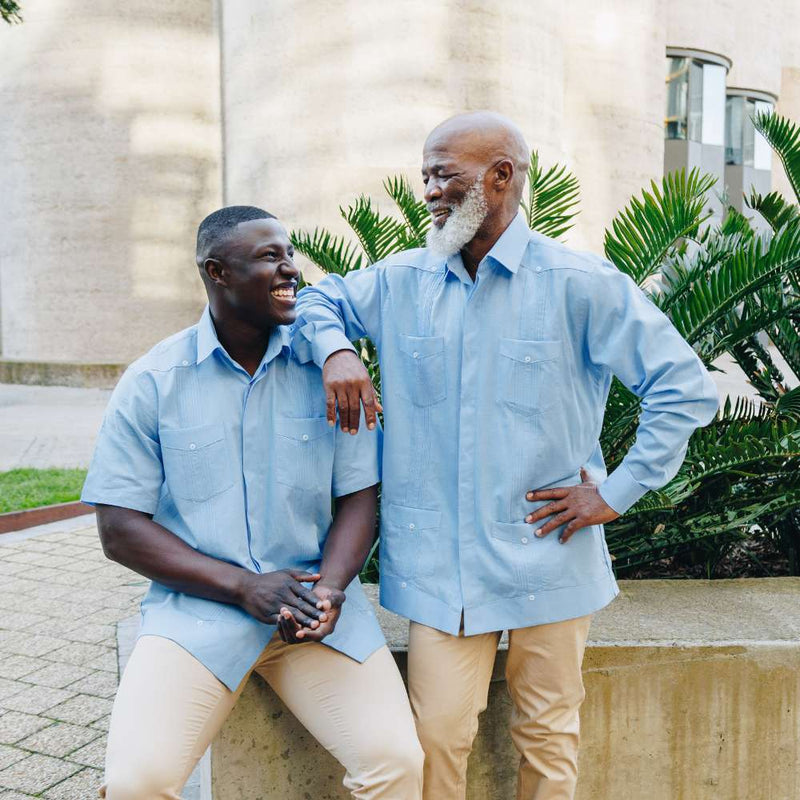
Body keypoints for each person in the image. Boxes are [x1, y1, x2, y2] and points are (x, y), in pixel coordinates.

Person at [292, 112, 720, 800]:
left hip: (551, 554)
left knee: (550, 737)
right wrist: (338, 349)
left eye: (445, 174)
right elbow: (312, 298)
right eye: (425, 174)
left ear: (501, 178)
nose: (429, 190)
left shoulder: (581, 284)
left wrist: (619, 491)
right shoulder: (401, 281)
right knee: (434, 739)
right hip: (441, 571)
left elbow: (683, 387)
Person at [81, 206, 424, 800]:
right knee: (137, 783)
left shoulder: (331, 372)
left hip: (316, 617)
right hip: (197, 616)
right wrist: (243, 587)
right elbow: (119, 528)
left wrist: (331, 591)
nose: (289, 267)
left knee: (395, 761)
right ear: (217, 271)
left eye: (289, 252)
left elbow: (359, 499)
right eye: (269, 257)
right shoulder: (154, 380)